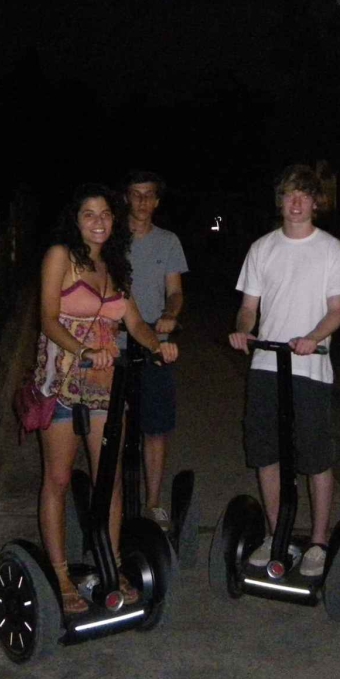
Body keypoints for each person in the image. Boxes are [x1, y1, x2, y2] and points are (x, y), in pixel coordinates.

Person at [30, 185, 178, 614]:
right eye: (89, 214)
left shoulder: (115, 266)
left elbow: (134, 321)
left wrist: (156, 346)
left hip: (106, 387)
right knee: (57, 478)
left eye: (105, 214)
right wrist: (83, 350)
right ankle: (60, 576)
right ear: (76, 221)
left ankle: (109, 565)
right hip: (62, 381)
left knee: (108, 478)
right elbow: (47, 317)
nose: (99, 221)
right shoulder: (60, 256)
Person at [229, 165, 340, 578]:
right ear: (280, 201)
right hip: (267, 364)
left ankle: (318, 539)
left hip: (310, 367)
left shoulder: (333, 250)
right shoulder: (262, 248)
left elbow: (337, 310)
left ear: (315, 202)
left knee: (315, 454)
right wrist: (243, 332)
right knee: (265, 450)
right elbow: (249, 307)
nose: (297, 203)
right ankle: (274, 533)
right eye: (289, 195)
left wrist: (311, 336)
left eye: (304, 196)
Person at [124, 171, 189, 531]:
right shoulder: (113, 240)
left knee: (156, 426)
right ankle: (116, 499)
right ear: (126, 199)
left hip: (156, 345)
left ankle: (152, 502)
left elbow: (175, 290)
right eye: (136, 195)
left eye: (149, 195)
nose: (143, 202)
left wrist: (169, 313)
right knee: (113, 428)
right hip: (115, 343)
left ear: (157, 201)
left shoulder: (168, 242)